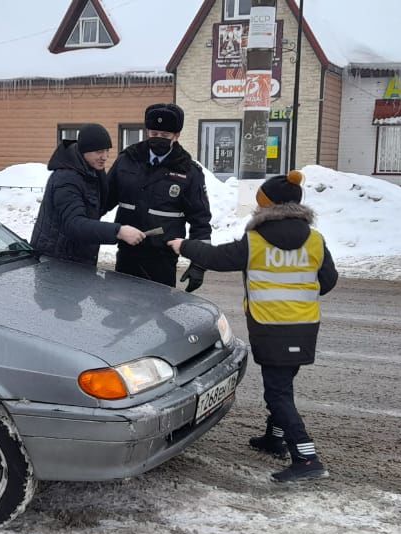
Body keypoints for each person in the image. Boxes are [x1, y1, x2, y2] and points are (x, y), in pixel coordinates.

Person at [167, 170, 338, 482]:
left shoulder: (256, 240)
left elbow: (218, 257)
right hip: (305, 326)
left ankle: (306, 457)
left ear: (268, 207)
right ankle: (275, 438)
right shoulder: (315, 239)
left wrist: (184, 246)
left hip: (271, 326)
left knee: (277, 393)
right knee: (283, 383)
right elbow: (328, 282)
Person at [109, 103, 212, 291]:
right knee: (120, 313)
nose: (158, 139)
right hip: (126, 255)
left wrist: (198, 264)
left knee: (158, 316)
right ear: (147, 131)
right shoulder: (127, 160)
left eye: (165, 136)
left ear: (176, 136)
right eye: (154, 134)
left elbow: (201, 221)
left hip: (162, 260)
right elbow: (100, 202)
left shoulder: (189, 171)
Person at [30, 123, 145, 265]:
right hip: (56, 261)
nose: (105, 157)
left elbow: (98, 207)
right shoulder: (66, 179)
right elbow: (74, 224)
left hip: (77, 258)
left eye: (107, 151)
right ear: (84, 151)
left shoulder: (92, 172)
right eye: (99, 152)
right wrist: (118, 231)